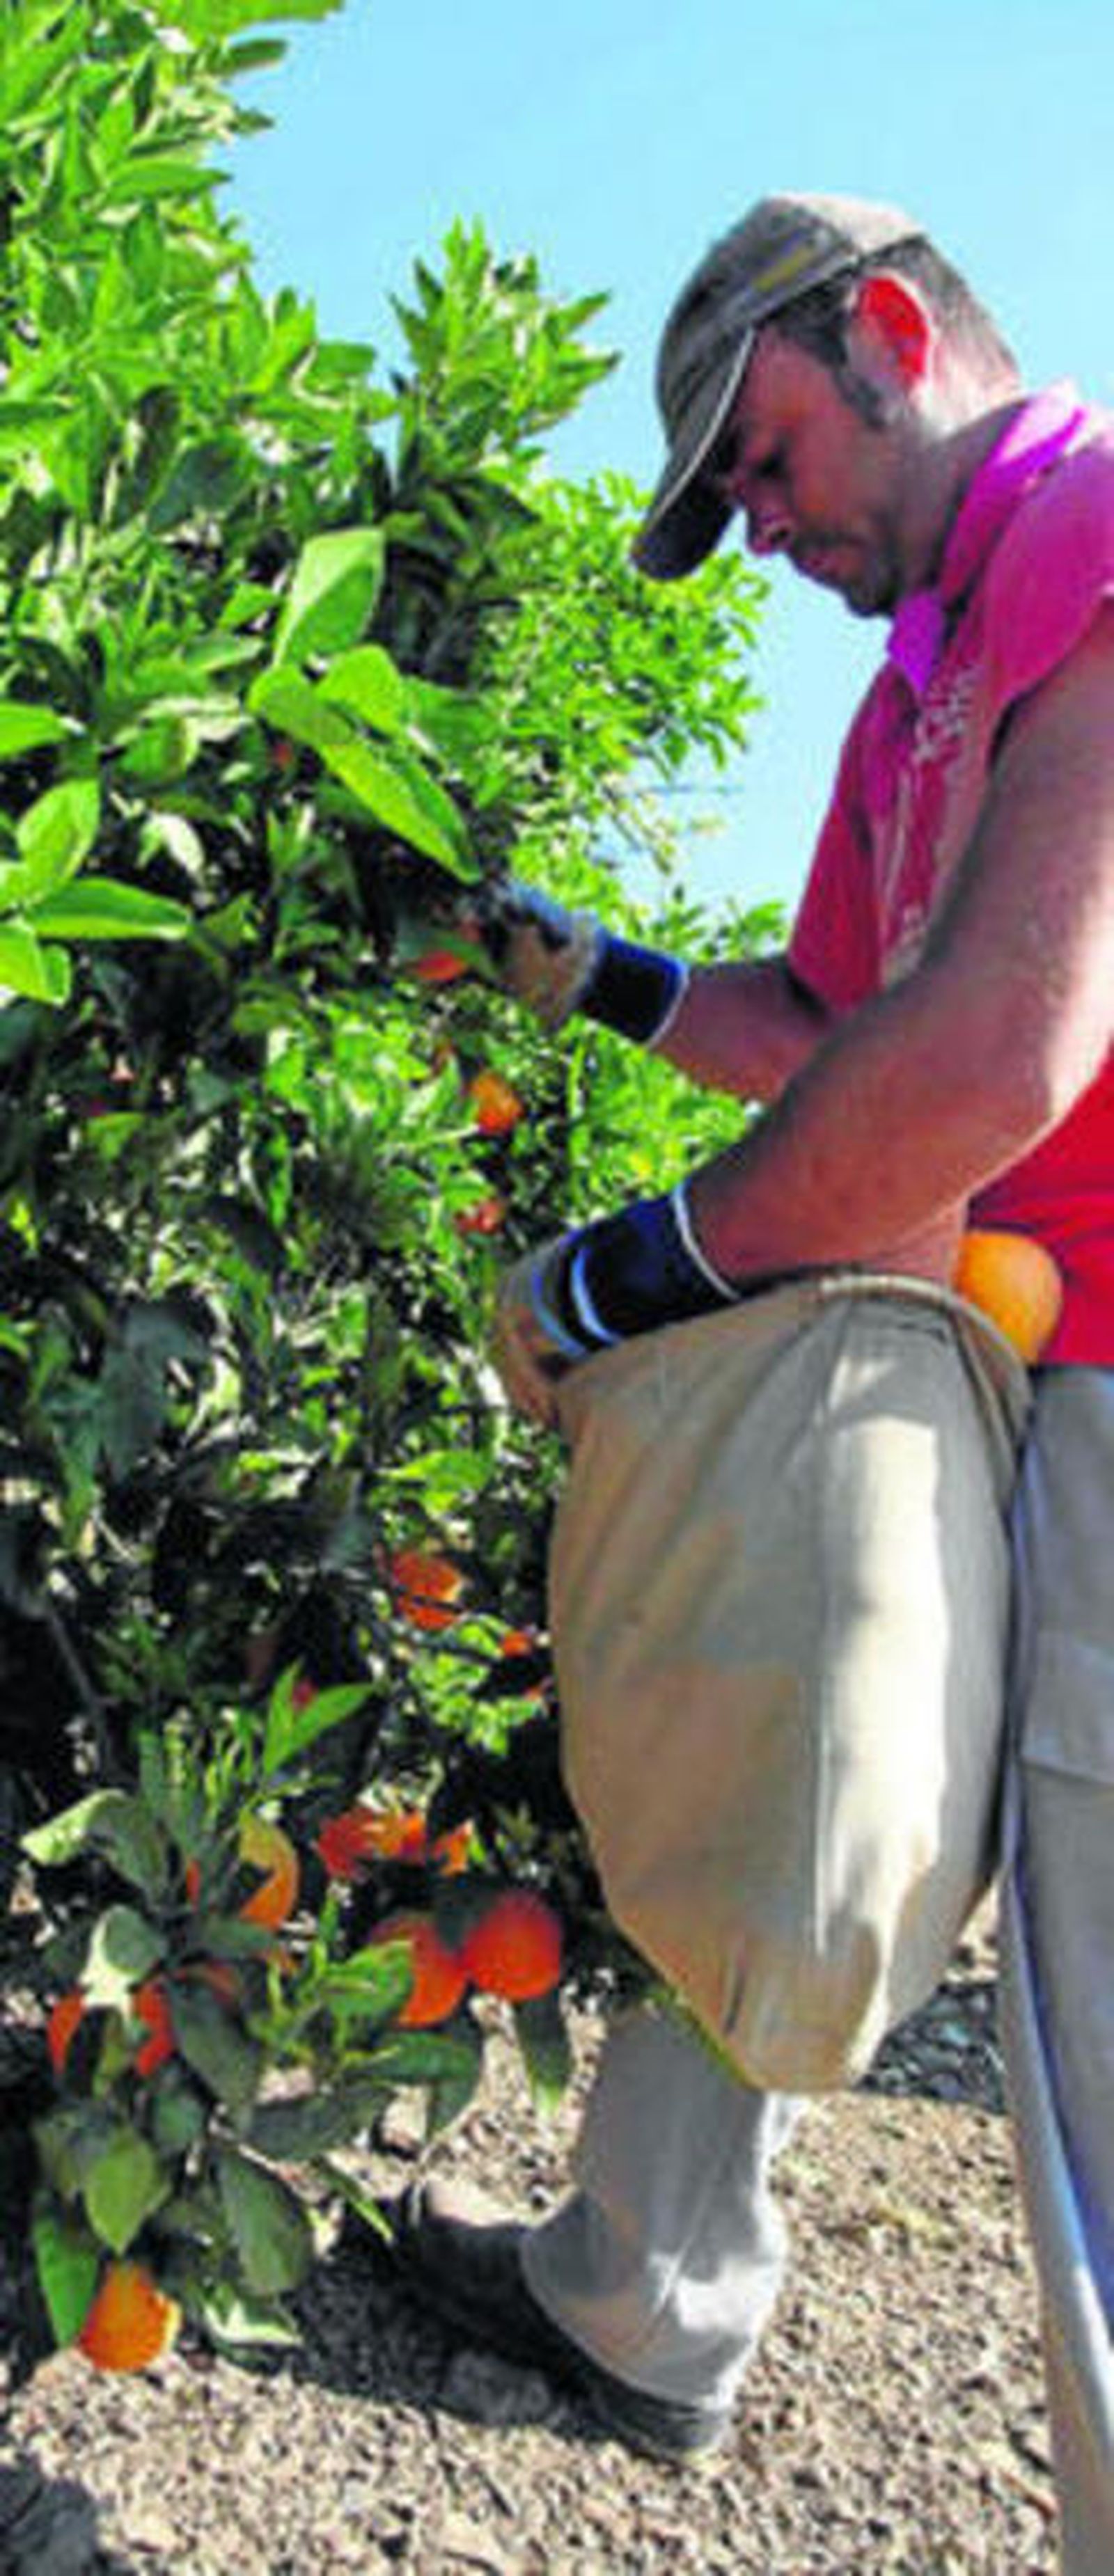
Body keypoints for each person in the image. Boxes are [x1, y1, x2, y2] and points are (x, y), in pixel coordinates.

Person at [394, 195, 1114, 2573]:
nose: (765, 527)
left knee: (1097, 2074)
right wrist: (587, 976)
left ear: (895, 333)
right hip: (965, 1356)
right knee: (777, 1741)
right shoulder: (919, 691)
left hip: (1101, 1390)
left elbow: (1000, 1047)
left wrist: (640, 1272)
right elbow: (823, 1029)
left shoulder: (1092, 523)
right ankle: (641, 2303)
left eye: (772, 457)